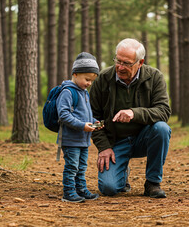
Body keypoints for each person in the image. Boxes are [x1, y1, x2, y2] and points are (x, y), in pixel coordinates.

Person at [90, 38, 171, 198]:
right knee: (109, 188)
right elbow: (93, 118)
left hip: (144, 138)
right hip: (115, 142)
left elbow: (163, 111)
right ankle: (122, 172)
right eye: (118, 61)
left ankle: (152, 182)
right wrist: (104, 146)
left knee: (162, 129)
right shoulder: (103, 79)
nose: (120, 67)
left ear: (140, 63)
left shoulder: (154, 77)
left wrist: (134, 113)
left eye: (126, 63)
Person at [57, 52, 102, 203]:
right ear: (75, 74)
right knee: (72, 166)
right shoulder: (68, 92)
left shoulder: (84, 93)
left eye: (92, 81)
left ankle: (80, 189)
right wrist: (82, 126)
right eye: (87, 79)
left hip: (83, 139)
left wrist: (94, 122)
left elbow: (85, 115)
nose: (89, 83)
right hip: (71, 139)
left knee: (81, 167)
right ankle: (69, 192)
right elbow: (63, 115)